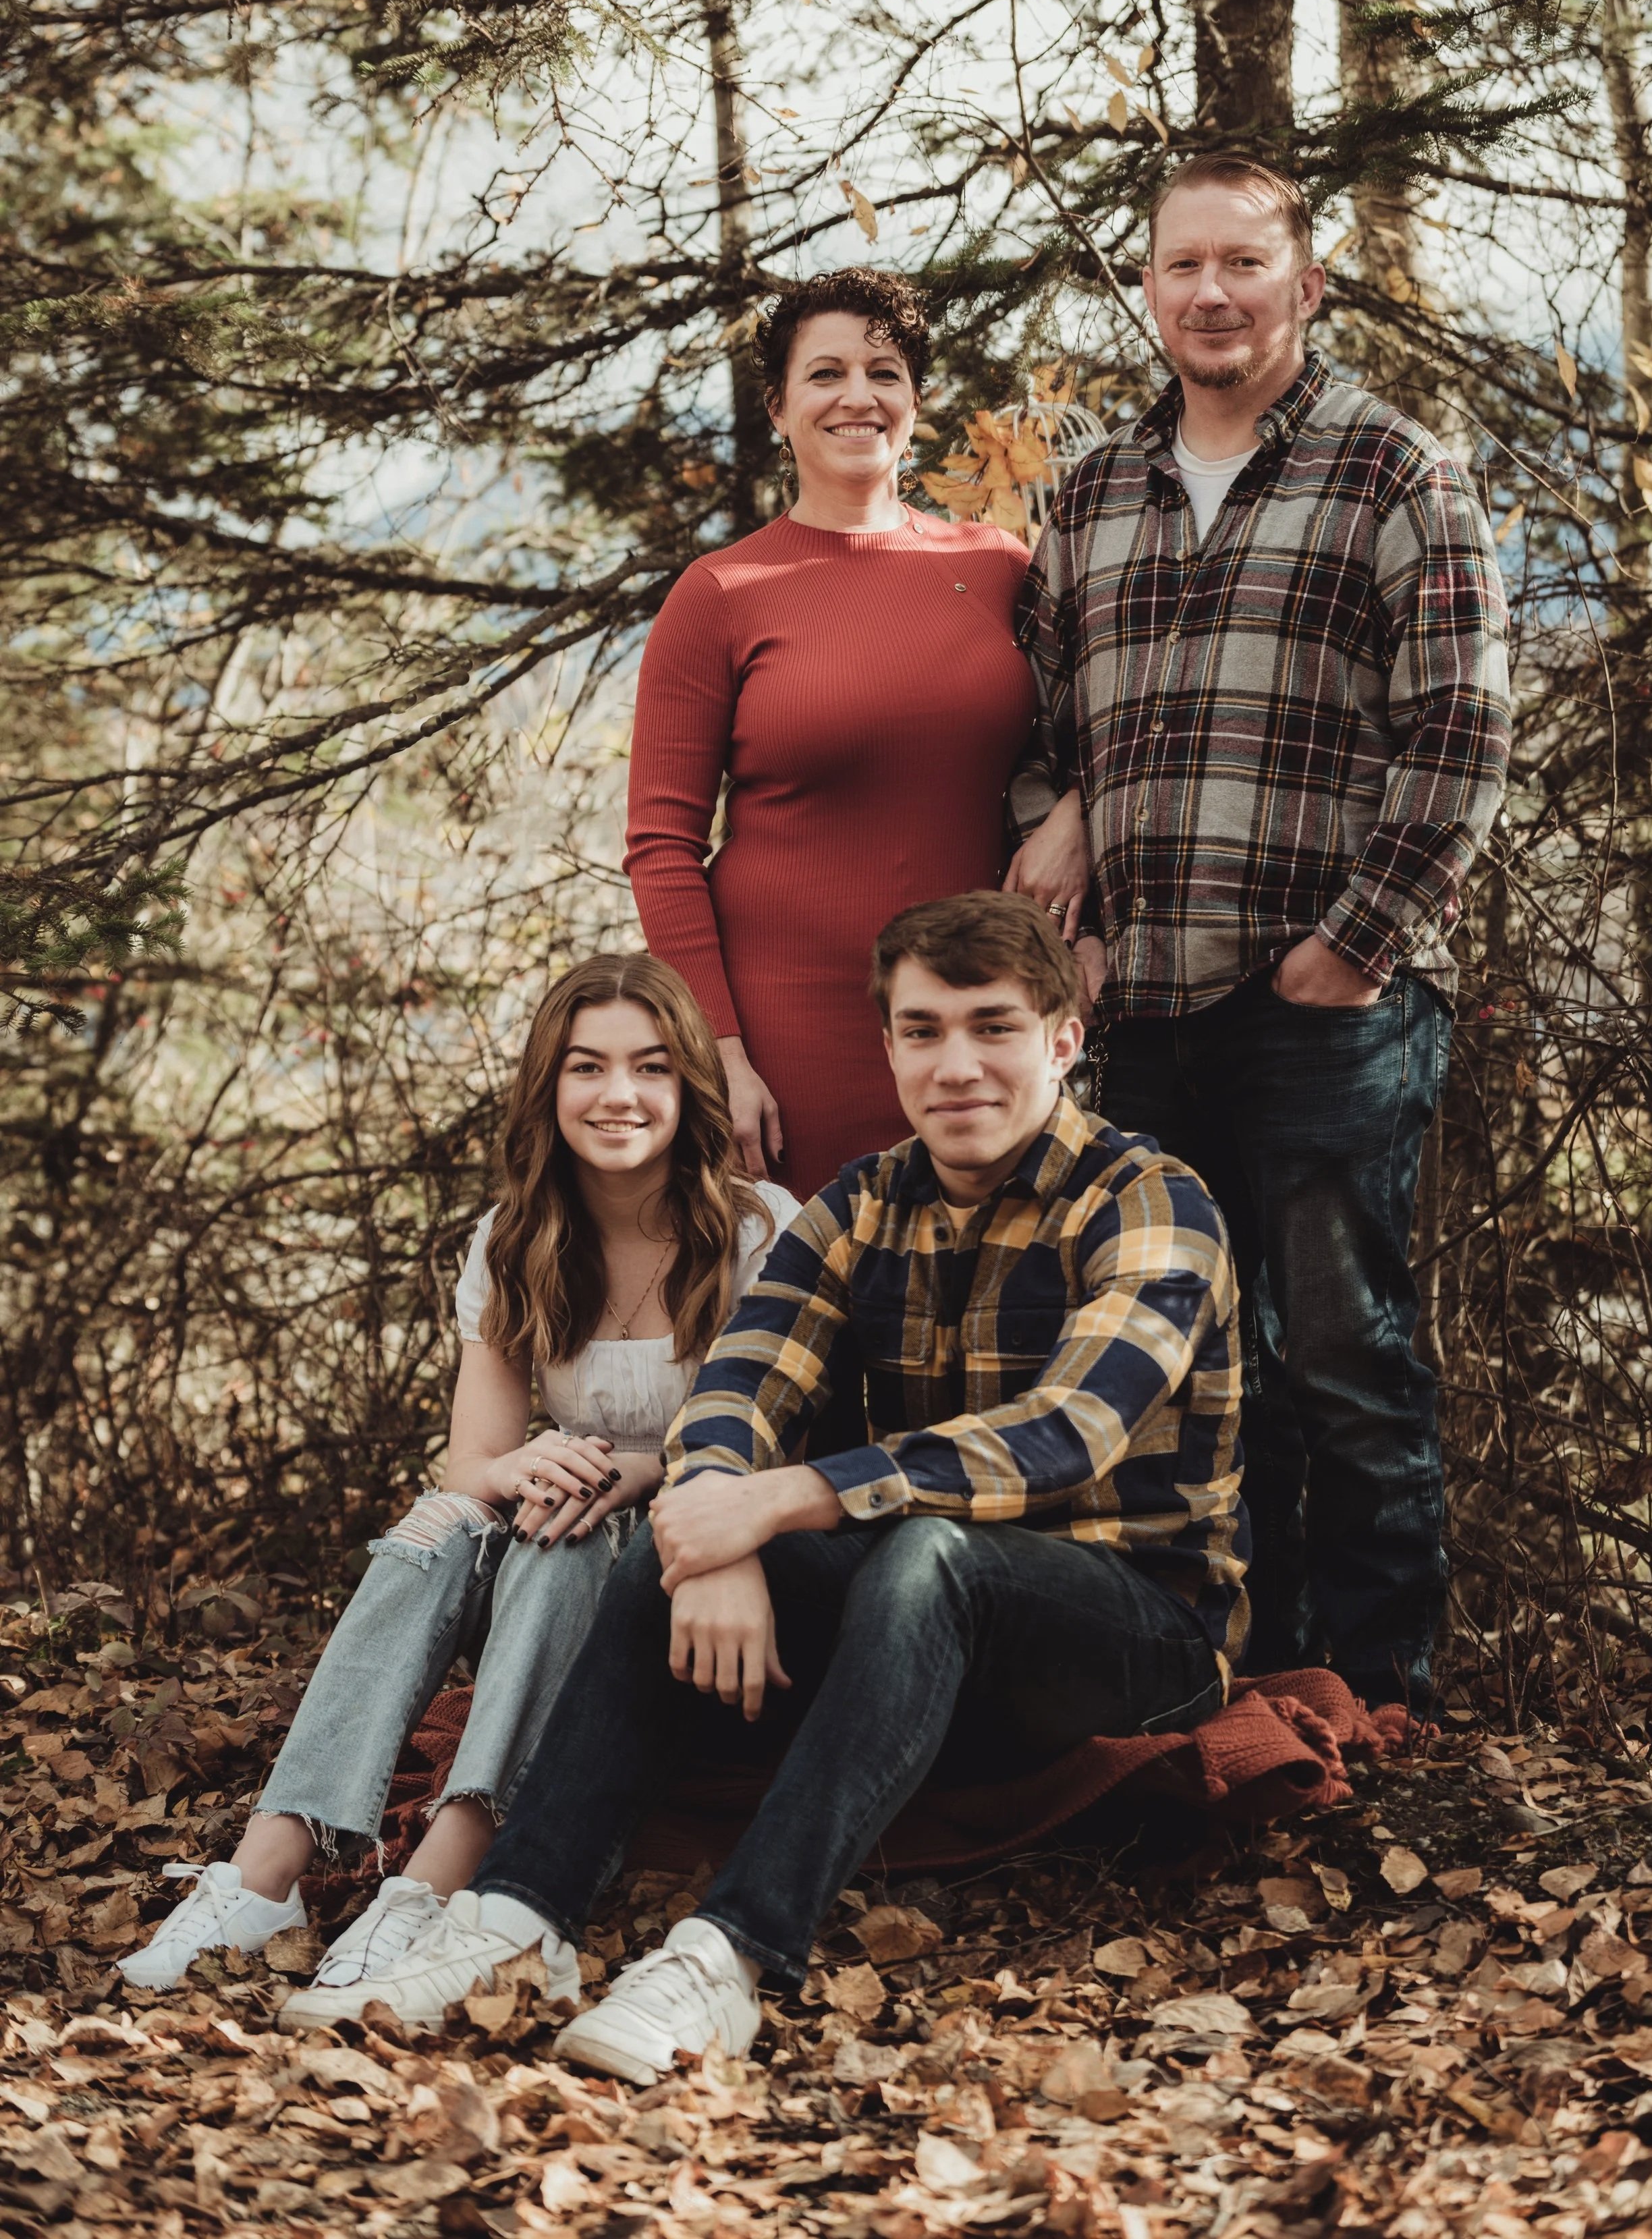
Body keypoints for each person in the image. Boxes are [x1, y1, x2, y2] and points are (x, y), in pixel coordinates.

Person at [314, 891, 1247, 2064]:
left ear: (1063, 1040)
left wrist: (777, 1502)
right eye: (923, 1030)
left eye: (994, 1027)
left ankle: (727, 1957)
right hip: (918, 1636)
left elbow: (1066, 1434)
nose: (956, 1064)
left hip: (1136, 1633)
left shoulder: (1151, 1201)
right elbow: (737, 1391)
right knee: (682, 1532)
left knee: (925, 1552)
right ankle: (516, 1916)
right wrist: (714, 1528)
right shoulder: (860, 1205)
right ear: (890, 1046)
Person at [1006, 153, 1511, 1711]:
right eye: (1182, 265)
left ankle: (1379, 1695)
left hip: (1326, 1008)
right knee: (1191, 1365)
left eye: (1242, 262)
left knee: (1343, 1362)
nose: (1211, 293)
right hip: (1142, 1009)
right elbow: (1038, 731)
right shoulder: (1092, 490)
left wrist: (1353, 943)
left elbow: (1461, 731)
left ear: (1305, 280)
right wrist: (1070, 858)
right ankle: (1241, 1688)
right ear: (1147, 287)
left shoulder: (1391, 471)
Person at [119, 953, 798, 2003]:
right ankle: (266, 1871)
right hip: (556, 1552)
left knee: (568, 1525)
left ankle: (437, 1881)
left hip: (705, 1560)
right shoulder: (515, 1238)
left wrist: (639, 1466)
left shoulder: (758, 1231)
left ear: (690, 1084)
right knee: (447, 1518)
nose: (617, 1094)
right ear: (550, 1086)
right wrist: (521, 1463)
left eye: (651, 1066)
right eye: (587, 1066)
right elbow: (472, 1463)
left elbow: (787, 1449)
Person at [624, 267, 1035, 1198]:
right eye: (826, 374)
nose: (859, 396)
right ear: (778, 408)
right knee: (812, 1281)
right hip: (788, 1038)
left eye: (885, 373)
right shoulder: (719, 595)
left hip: (974, 1023)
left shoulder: (999, 570)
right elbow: (661, 848)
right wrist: (719, 1053)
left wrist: (1077, 822)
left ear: (916, 402)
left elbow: (1089, 743)